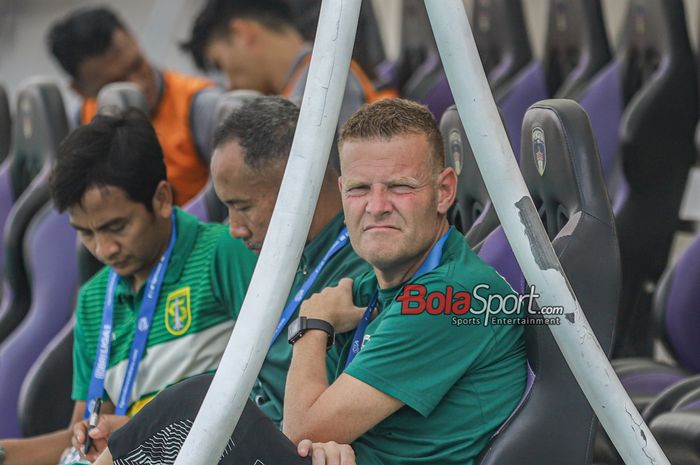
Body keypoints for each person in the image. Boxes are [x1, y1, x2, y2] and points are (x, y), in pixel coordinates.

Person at [99, 99, 527, 465]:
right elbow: (308, 427)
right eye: (360, 189)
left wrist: (313, 323)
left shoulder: (451, 297)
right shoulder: (373, 288)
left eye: (399, 187)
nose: (376, 207)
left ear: (444, 191)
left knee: (196, 405)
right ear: (341, 192)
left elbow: (300, 426)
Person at [0, 110, 257, 465]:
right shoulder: (94, 299)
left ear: (162, 199)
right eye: (86, 233)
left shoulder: (224, 255)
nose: (105, 249)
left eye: (116, 226)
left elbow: (270, 389)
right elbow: (81, 438)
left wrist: (140, 429)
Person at [47, 7, 222, 205]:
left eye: (137, 65)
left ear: (135, 40)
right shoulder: (79, 126)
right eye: (118, 83)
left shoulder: (203, 108)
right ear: (81, 91)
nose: (139, 85)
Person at [182, 0, 397, 126]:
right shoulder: (306, 82)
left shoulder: (321, 79)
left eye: (220, 65)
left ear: (242, 33)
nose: (228, 84)